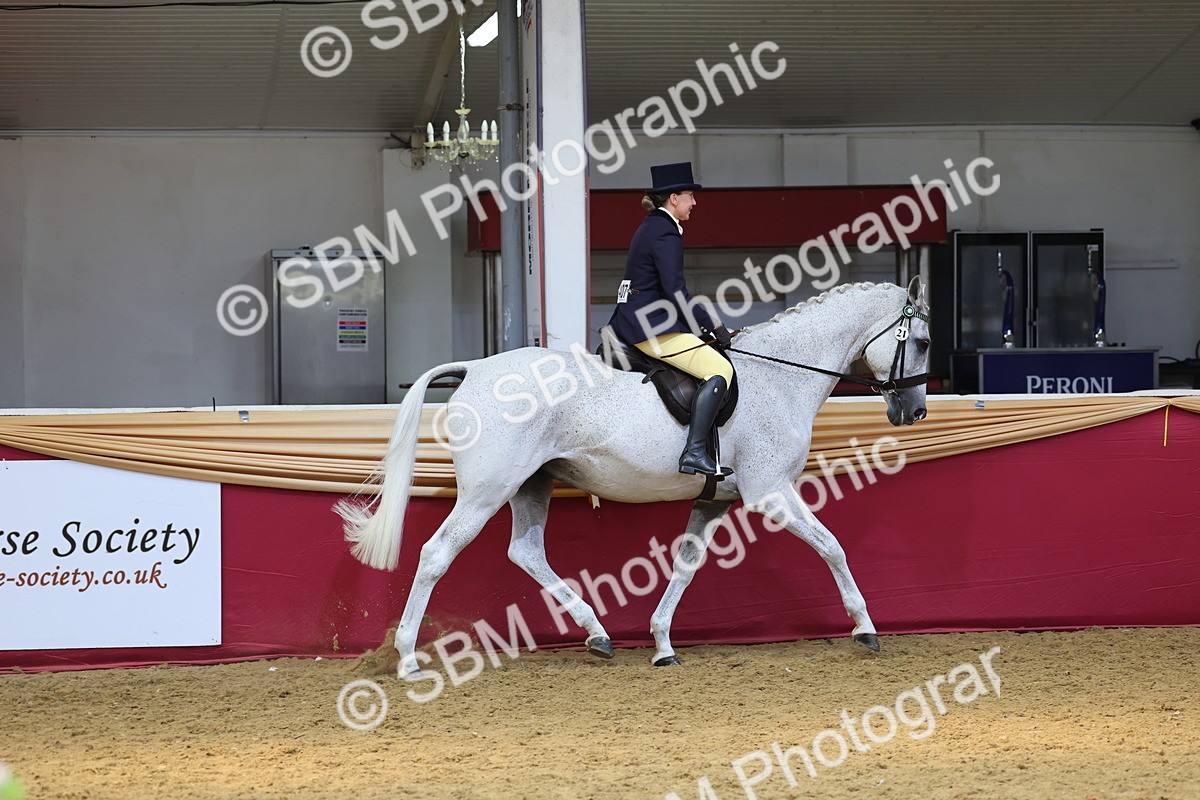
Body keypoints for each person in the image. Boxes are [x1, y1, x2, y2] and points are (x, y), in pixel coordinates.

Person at [606, 162, 735, 477]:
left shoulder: (651, 226)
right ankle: (693, 452)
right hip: (650, 328)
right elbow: (677, 292)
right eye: (690, 195)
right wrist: (713, 327)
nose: (694, 202)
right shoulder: (665, 232)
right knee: (720, 369)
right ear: (673, 198)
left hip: (632, 320)